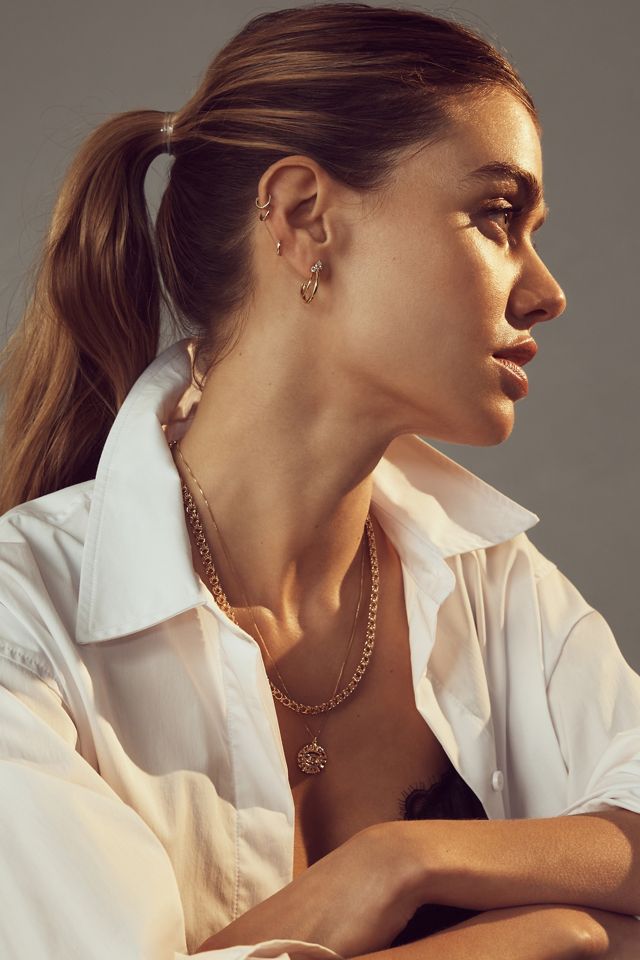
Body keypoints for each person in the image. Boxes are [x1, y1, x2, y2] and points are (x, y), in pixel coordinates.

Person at [0, 3, 638, 958]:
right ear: (304, 218)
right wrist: (557, 934)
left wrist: (400, 860)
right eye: (498, 216)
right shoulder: (23, 627)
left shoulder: (493, 586)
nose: (547, 291)